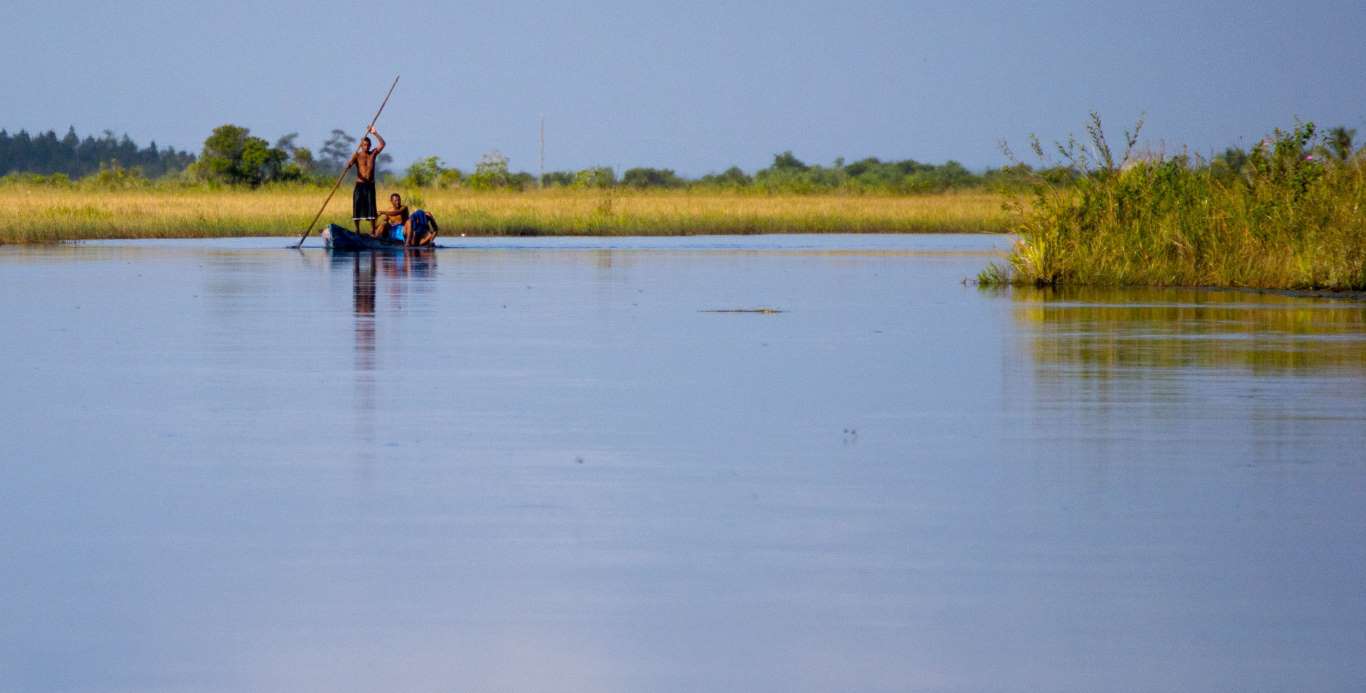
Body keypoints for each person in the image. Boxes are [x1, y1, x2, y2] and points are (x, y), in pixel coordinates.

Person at [345, 126, 385, 235]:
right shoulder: (357, 155)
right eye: (364, 145)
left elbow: (382, 144)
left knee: (371, 207)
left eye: (368, 145)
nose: (366, 147)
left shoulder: (373, 154)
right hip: (360, 185)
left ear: (370, 145)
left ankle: (372, 230)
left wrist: (375, 133)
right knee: (357, 205)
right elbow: (349, 165)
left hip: (370, 185)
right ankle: (357, 229)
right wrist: (349, 165)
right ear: (361, 146)